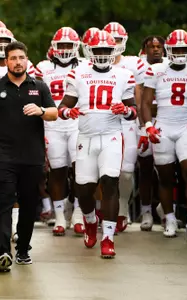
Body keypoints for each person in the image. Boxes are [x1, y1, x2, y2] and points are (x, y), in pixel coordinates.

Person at [0, 41, 58, 271]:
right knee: (4, 202)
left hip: (32, 157)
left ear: (27, 59)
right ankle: (2, 253)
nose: (18, 62)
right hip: (3, 156)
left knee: (29, 205)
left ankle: (23, 249)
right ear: (6, 61)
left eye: (21, 57)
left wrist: (41, 111)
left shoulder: (39, 87)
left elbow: (54, 113)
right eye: (13, 58)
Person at [58, 30, 137, 258]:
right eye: (98, 50)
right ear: (89, 51)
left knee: (110, 183)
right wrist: (66, 112)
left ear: (114, 51)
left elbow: (132, 111)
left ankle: (108, 238)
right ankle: (91, 221)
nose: (102, 54)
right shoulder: (78, 73)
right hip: (86, 137)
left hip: (112, 136)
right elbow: (64, 105)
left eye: (106, 50)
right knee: (84, 189)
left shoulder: (124, 75)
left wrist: (126, 110)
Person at [141, 29, 187, 239]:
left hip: (186, 126)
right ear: (168, 50)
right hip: (162, 126)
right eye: (177, 49)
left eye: (184, 49)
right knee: (164, 177)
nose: (180, 53)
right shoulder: (157, 70)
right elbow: (145, 102)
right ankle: (170, 218)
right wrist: (148, 126)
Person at [35, 27, 84, 237]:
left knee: (81, 170)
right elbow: (34, 96)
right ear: (53, 47)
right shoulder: (43, 67)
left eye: (68, 45)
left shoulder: (86, 66)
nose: (64, 49)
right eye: (61, 45)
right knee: (57, 171)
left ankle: (80, 213)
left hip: (77, 123)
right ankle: (60, 216)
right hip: (52, 123)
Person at [104, 22, 145, 233]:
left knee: (126, 173)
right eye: (110, 38)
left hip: (127, 121)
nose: (113, 43)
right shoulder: (92, 62)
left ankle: (121, 208)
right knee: (101, 171)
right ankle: (104, 211)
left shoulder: (133, 63)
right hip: (103, 121)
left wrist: (141, 124)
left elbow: (138, 93)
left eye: (117, 39)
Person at [135, 36, 168, 231]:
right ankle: (146, 210)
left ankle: (165, 210)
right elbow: (139, 100)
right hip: (146, 121)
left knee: (166, 170)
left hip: (167, 121)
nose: (156, 50)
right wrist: (142, 125)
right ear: (144, 49)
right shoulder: (140, 68)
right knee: (146, 169)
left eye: (159, 47)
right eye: (151, 47)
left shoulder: (171, 65)